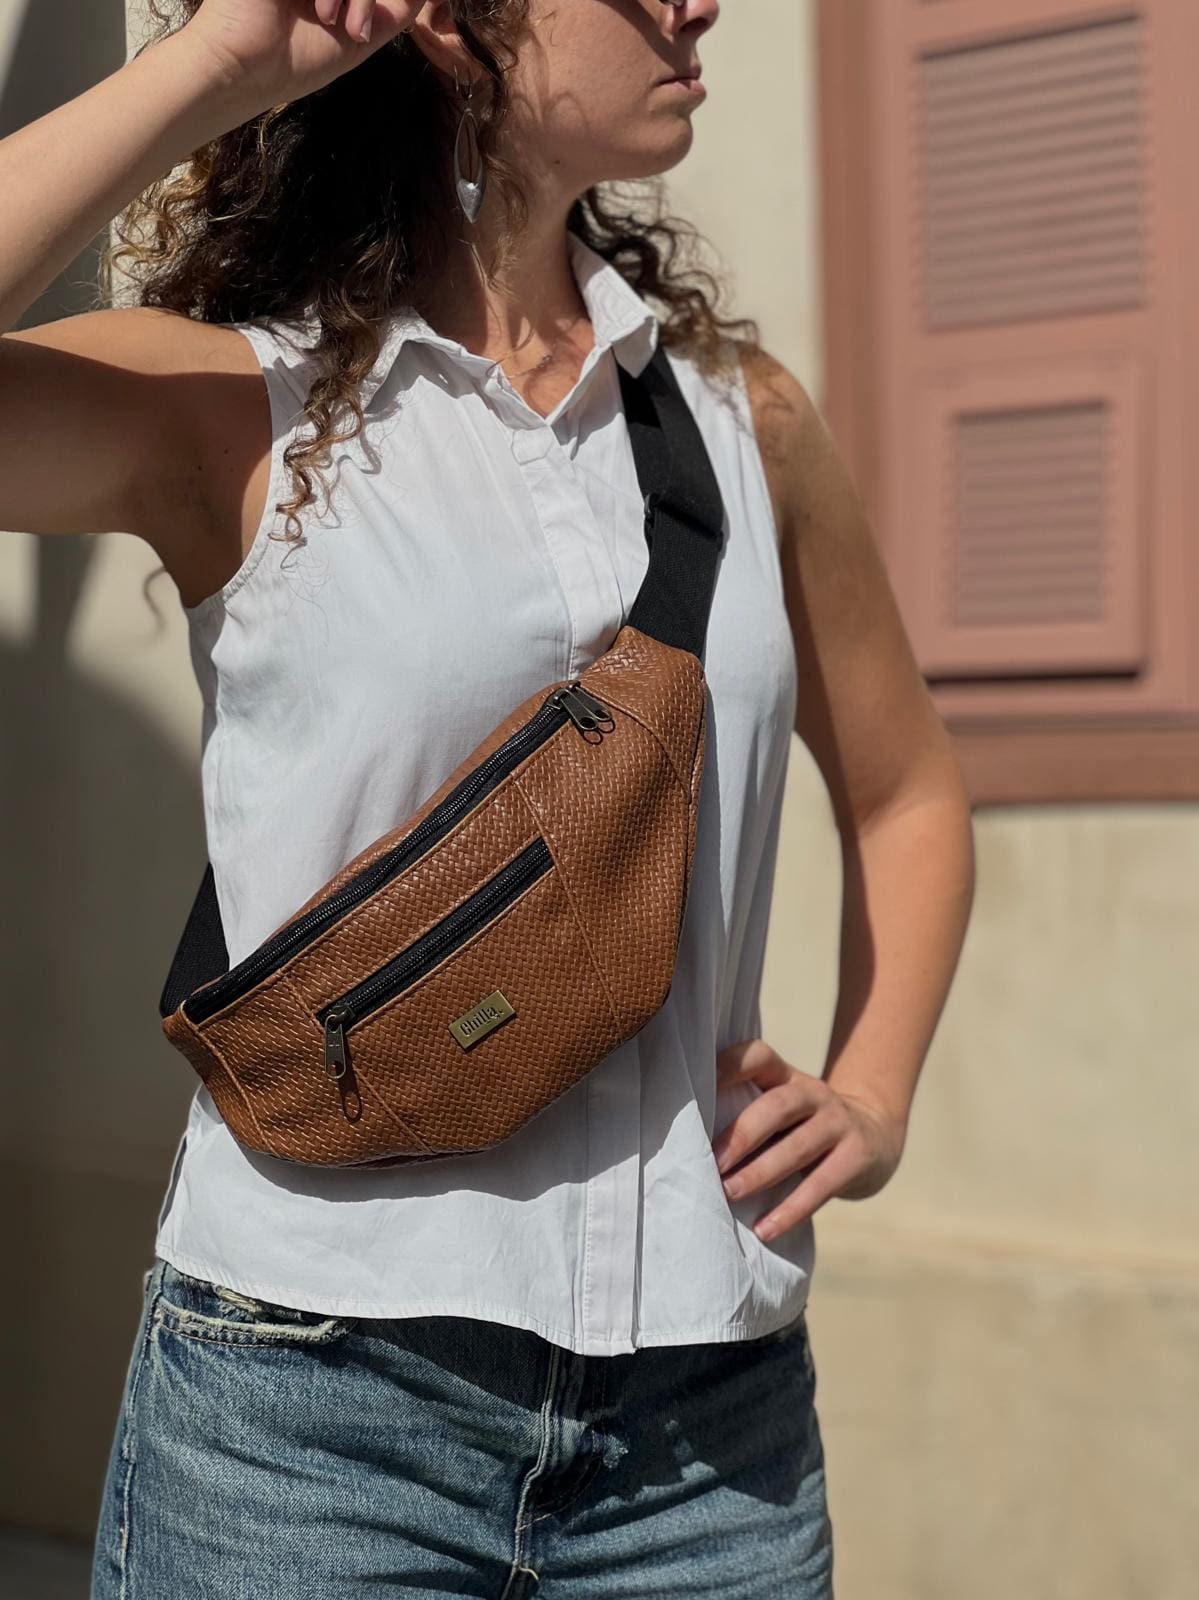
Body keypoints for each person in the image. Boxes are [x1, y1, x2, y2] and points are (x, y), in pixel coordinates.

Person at [0, 2, 976, 1595]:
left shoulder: (741, 420)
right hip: (306, 1422)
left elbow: (908, 790)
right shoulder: (239, 403)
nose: (700, 3)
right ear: (455, 27)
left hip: (705, 1453)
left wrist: (874, 1095)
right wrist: (211, 68)